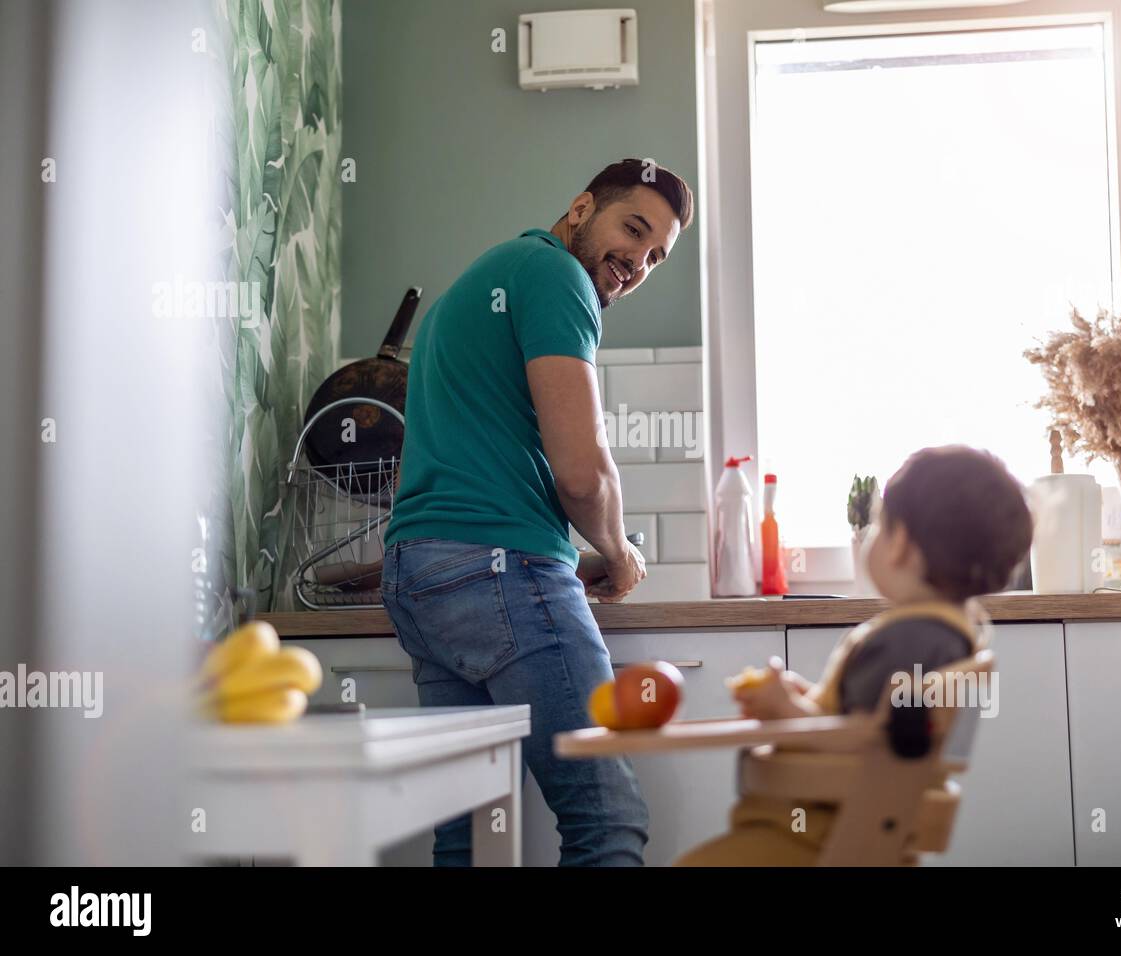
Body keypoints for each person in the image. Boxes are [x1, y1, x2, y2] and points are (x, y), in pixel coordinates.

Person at [381, 158, 695, 866]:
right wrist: (619, 553)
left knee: (467, 833)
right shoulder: (556, 276)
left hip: (422, 578)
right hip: (498, 570)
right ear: (582, 209)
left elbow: (482, 475)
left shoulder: (486, 279)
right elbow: (582, 474)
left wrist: (565, 555)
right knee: (606, 818)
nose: (636, 262)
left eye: (656, 256)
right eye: (632, 229)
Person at [675, 445, 1033, 866]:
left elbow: (861, 743)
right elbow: (871, 727)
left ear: (899, 543)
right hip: (853, 833)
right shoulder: (948, 636)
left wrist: (786, 709)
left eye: (881, 525)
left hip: (814, 839)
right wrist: (804, 698)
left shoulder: (906, 640)